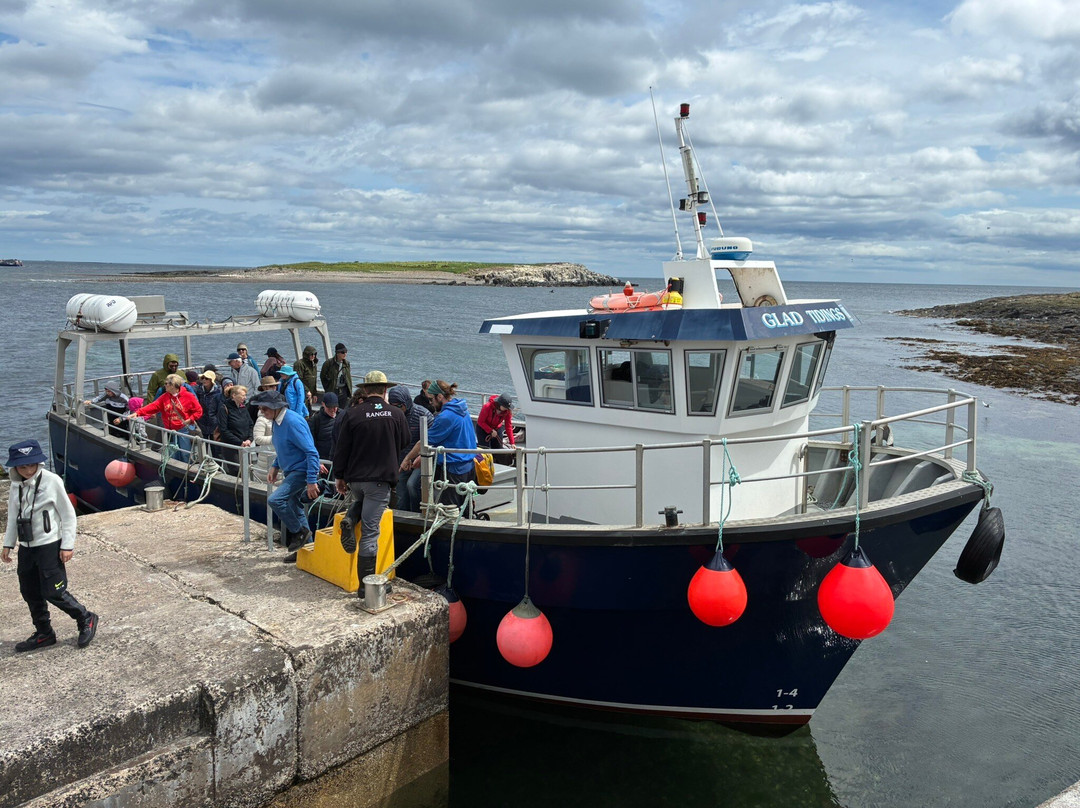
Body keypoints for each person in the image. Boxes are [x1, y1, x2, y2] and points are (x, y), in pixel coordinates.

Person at [3, 440, 98, 651]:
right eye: (22, 466)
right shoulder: (15, 486)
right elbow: (12, 517)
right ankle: (44, 632)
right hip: (27, 546)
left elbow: (68, 515)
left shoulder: (51, 481)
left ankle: (85, 617)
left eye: (32, 465)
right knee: (29, 591)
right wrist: (8, 544)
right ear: (14, 467)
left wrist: (67, 545)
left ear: (39, 463)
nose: (28, 470)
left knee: (53, 590)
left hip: (50, 544)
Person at [332, 371, 411, 585]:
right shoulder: (396, 414)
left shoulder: (353, 414)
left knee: (361, 501)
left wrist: (339, 476)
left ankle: (350, 518)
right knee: (369, 534)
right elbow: (405, 440)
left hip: (356, 479)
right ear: (385, 390)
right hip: (380, 480)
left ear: (365, 390)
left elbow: (342, 448)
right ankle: (366, 588)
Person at [251, 389, 321, 555]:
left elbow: (311, 452)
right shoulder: (276, 420)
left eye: (265, 409)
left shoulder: (292, 422)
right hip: (290, 469)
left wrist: (311, 481)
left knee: (275, 500)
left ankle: (299, 532)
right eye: (261, 409)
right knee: (296, 509)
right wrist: (275, 465)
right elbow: (283, 447)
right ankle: (307, 553)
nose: (262, 412)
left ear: (276, 407)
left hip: (301, 471)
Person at [399, 380, 478, 510]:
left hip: (454, 469)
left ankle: (423, 515)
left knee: (449, 510)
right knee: (465, 507)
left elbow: (423, 442)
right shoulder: (463, 409)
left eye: (431, 399)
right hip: (469, 466)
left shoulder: (446, 417)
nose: (431, 403)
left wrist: (407, 459)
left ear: (439, 396)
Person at [128, 374, 203, 463]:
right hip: (169, 430)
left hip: (183, 429)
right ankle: (175, 471)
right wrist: (138, 413)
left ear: (174, 385)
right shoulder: (165, 397)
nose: (165, 385)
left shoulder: (188, 396)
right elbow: (154, 406)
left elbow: (199, 411)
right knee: (173, 453)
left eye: (167, 383)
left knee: (185, 453)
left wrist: (191, 419)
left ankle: (186, 471)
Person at [388, 385, 432, 512]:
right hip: (402, 460)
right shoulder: (391, 416)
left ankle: (416, 514)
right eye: (393, 406)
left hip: (420, 460)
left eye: (399, 406)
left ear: (406, 402)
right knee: (401, 491)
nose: (397, 409)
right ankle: (403, 517)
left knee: (412, 485)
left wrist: (420, 457)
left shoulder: (424, 414)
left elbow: (432, 439)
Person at [216, 384, 254, 471]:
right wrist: (240, 442)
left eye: (245, 395)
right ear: (234, 395)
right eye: (243, 395)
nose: (245, 397)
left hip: (245, 445)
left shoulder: (243, 408)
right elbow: (223, 430)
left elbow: (250, 424)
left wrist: (250, 439)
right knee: (236, 471)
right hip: (232, 447)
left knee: (247, 469)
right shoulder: (224, 408)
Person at [308, 391, 339, 462]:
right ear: (323, 404)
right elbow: (310, 444)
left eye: (335, 407)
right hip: (322, 460)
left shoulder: (343, 416)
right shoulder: (315, 420)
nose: (333, 410)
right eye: (330, 407)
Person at [196, 369, 224, 442]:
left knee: (214, 445)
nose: (204, 380)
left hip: (214, 422)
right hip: (202, 421)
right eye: (202, 378)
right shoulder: (198, 390)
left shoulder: (218, 391)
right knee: (202, 444)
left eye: (206, 378)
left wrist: (216, 421)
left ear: (212, 380)